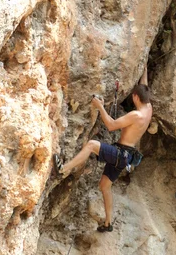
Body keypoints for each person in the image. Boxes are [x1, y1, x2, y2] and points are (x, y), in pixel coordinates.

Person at [54, 67, 152, 232]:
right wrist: (144, 69)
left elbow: (111, 126)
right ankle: (108, 223)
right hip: (127, 155)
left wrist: (100, 106)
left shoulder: (136, 116)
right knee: (105, 185)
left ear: (135, 97)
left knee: (92, 145)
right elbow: (144, 86)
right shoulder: (148, 108)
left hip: (120, 154)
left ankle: (63, 169)